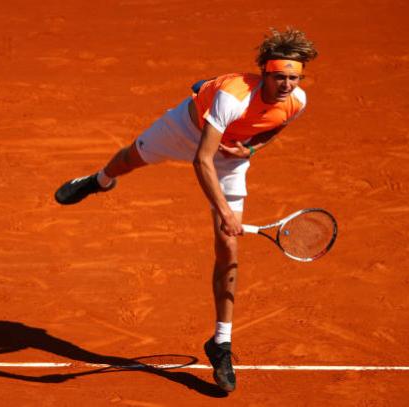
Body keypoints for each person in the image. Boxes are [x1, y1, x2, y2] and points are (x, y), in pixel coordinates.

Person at [54, 27, 318, 392]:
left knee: (228, 248)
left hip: (227, 155)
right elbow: (201, 160)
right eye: (279, 77)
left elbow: (272, 128)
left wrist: (251, 149)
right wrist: (224, 211)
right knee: (130, 158)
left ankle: (221, 343)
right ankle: (98, 180)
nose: (287, 84)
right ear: (263, 72)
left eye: (294, 77)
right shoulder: (232, 97)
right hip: (186, 131)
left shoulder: (297, 101)